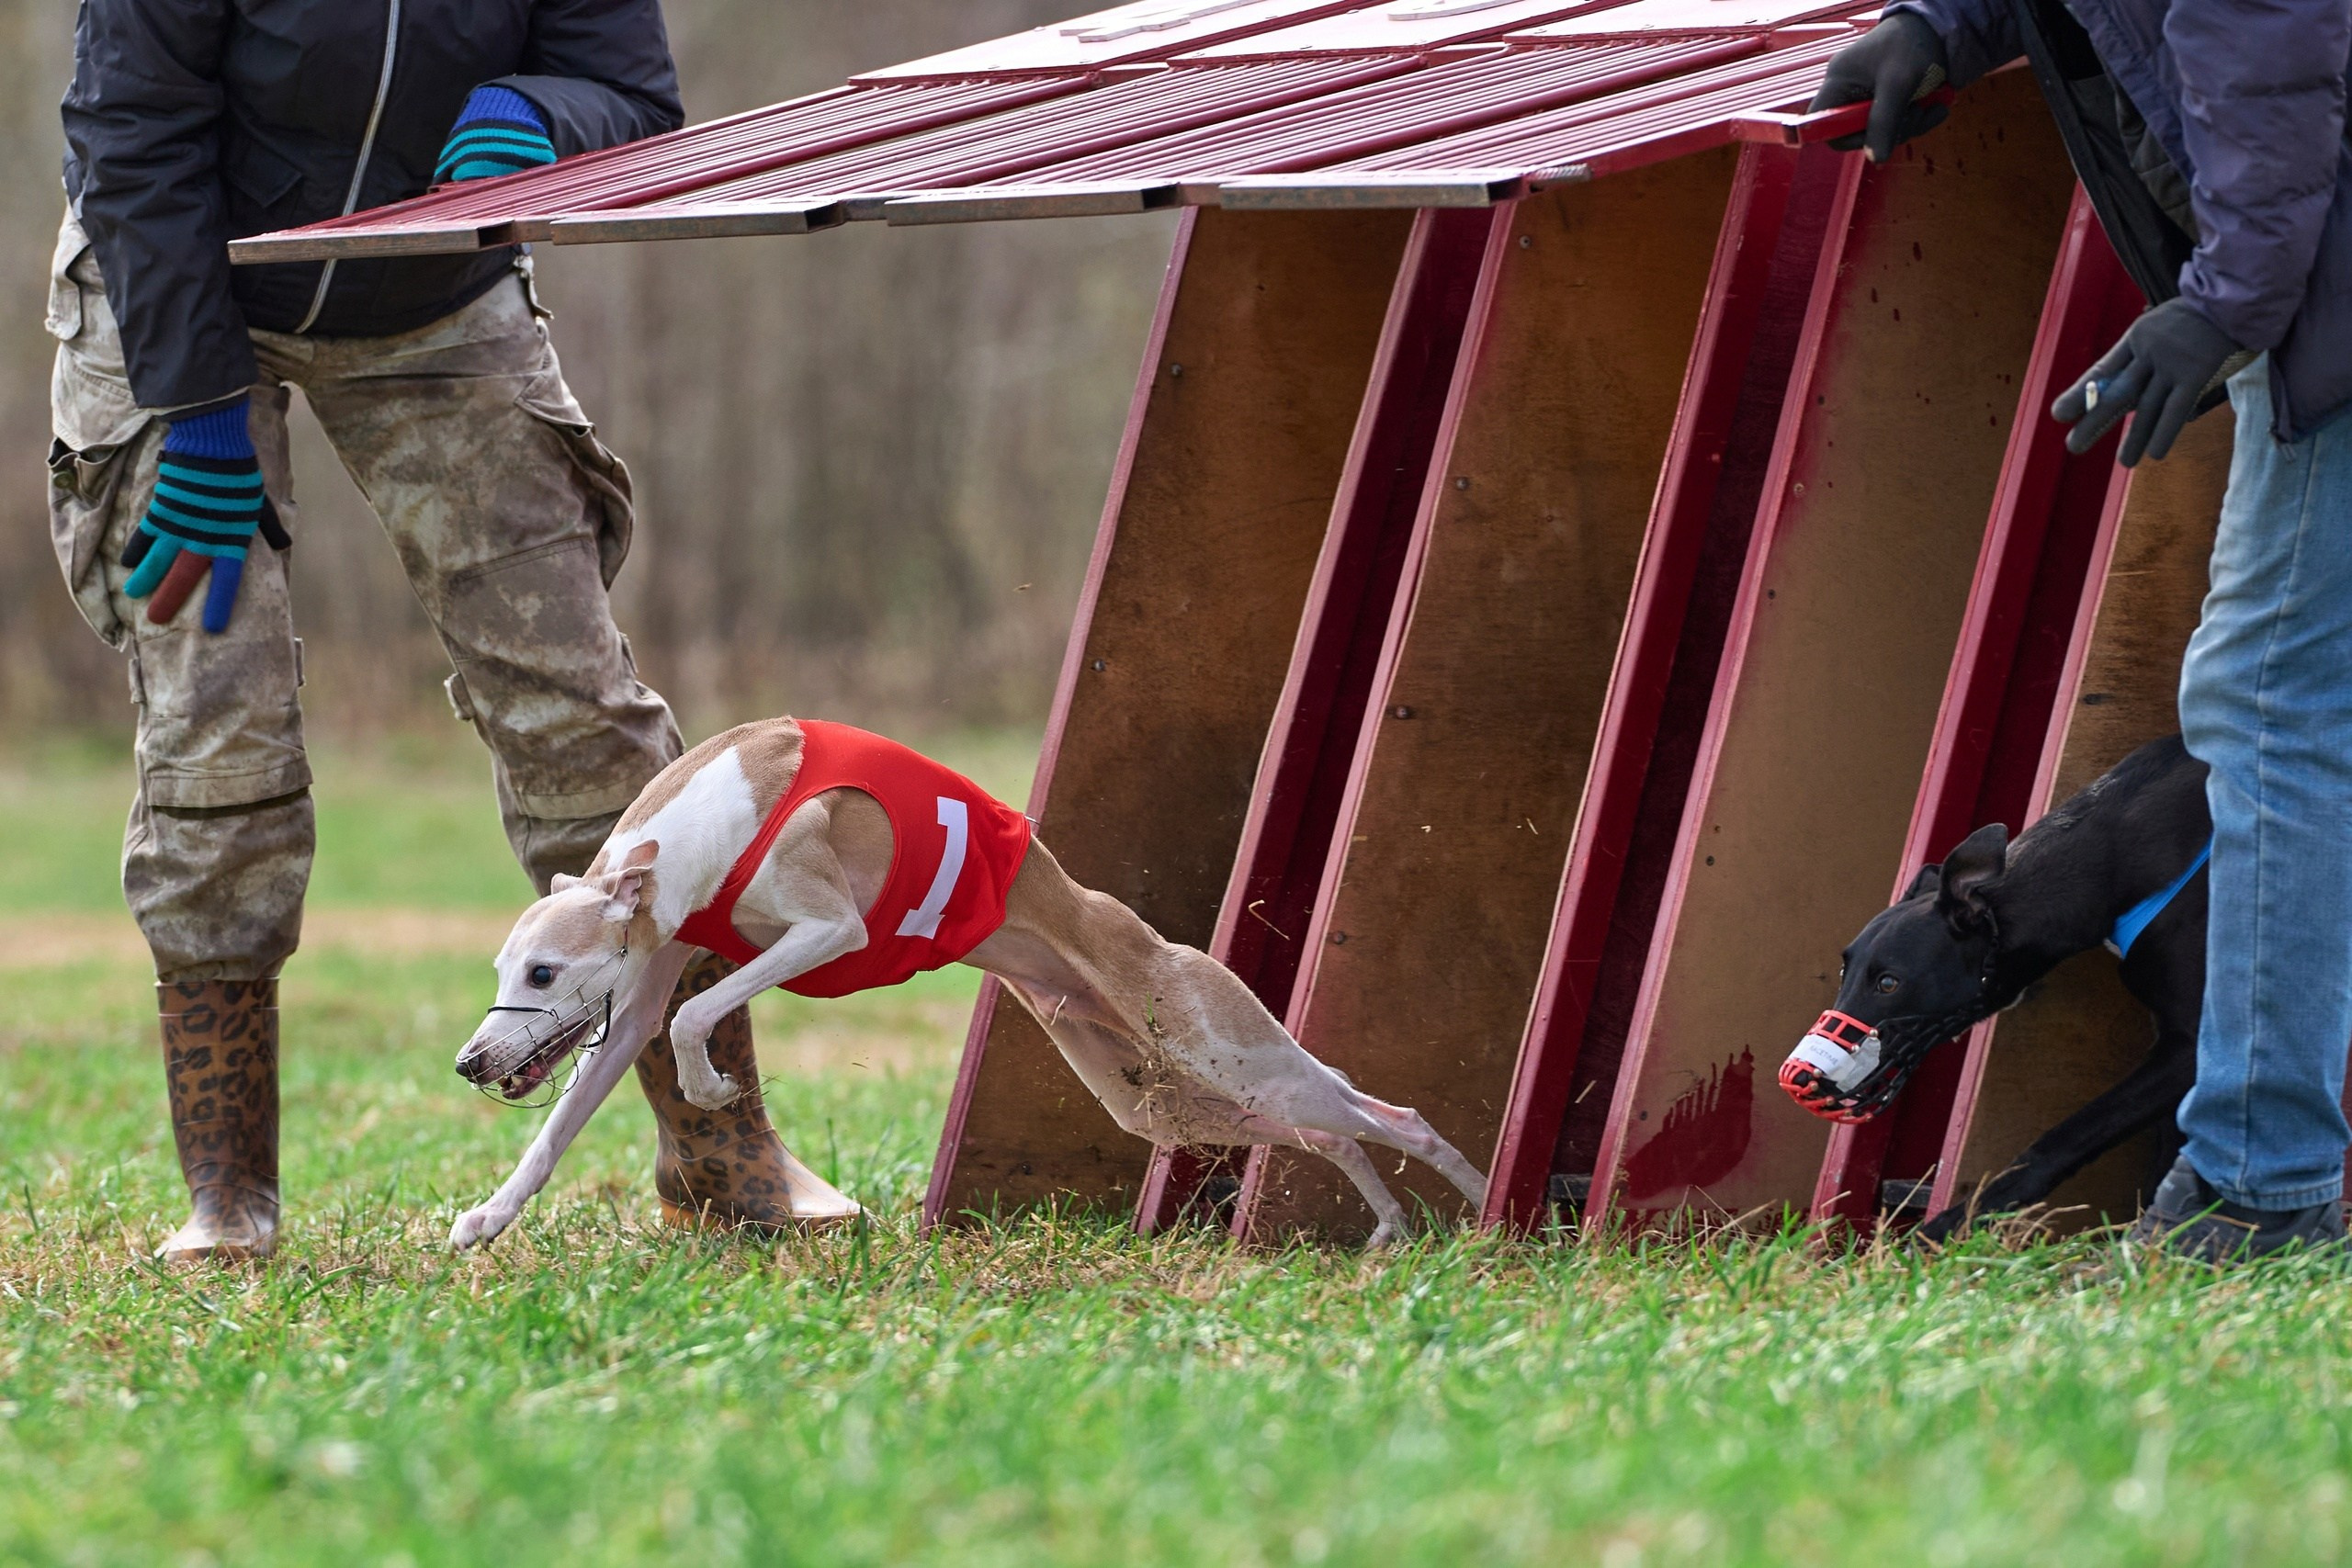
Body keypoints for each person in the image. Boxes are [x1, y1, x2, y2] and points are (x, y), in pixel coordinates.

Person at [51, 0, 851, 1263]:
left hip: (433, 293)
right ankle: (229, 1193)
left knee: (585, 722)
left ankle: (719, 1146)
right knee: (218, 720)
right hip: (173, 286)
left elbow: (631, 93)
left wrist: (541, 110)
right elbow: (133, 128)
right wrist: (198, 407)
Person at [1815, 0, 2352, 1259]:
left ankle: (2259, 1190)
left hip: (2314, 305)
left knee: (2267, 711)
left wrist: (2224, 303)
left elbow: (2274, 69)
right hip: (2306, 297)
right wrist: (1942, 25)